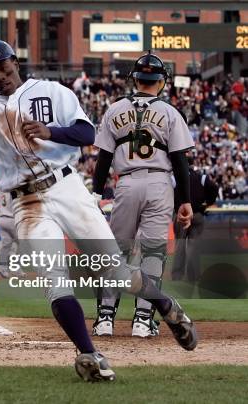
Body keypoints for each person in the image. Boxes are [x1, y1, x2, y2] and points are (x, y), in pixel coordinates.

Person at [0, 41, 197, 382]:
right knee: (53, 280)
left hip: (66, 186)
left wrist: (50, 131)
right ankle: (89, 354)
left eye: (4, 66)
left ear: (15, 61)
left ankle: (165, 306)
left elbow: (86, 132)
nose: (1, 75)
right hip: (25, 202)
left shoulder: (50, 91)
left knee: (115, 273)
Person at [91, 51, 195, 339]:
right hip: (159, 184)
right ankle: (142, 320)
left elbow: (103, 160)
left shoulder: (113, 109)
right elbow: (180, 162)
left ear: (134, 79)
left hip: (125, 184)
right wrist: (185, 201)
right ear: (161, 82)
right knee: (152, 253)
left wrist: (95, 194)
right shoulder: (171, 112)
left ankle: (105, 319)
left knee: (116, 253)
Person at [171, 163, 219, 282]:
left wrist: (175, 204)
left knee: (180, 245)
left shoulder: (174, 177)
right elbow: (214, 187)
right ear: (192, 166)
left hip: (181, 215)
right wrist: (207, 203)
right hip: (197, 213)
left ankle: (177, 276)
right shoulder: (201, 177)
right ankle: (194, 276)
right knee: (195, 246)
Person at [0, 189, 24, 279]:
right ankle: (16, 269)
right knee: (21, 243)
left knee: (6, 245)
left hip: (2, 219)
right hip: (12, 219)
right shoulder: (13, 188)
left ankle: (1, 267)